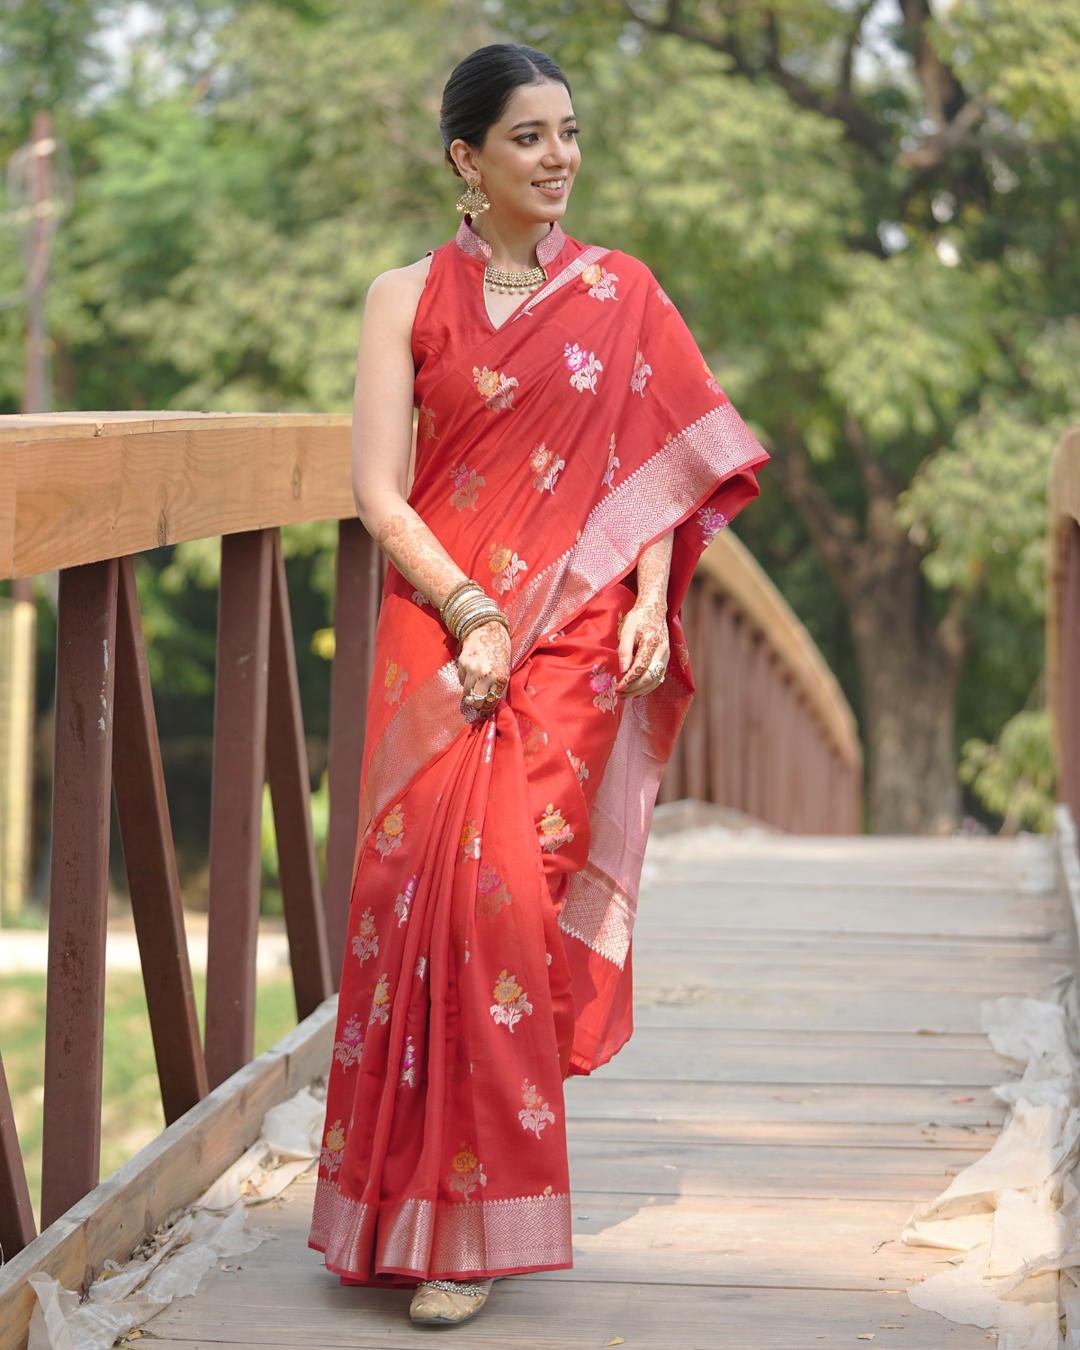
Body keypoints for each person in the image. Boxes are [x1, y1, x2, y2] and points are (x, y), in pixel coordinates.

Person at [309, 42, 768, 1325]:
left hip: (568, 643)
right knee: (414, 905)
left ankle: (472, 1233)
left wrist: (643, 598)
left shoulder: (623, 290)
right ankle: (388, 1208)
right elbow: (375, 490)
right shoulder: (403, 297)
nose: (559, 157)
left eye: (568, 132)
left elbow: (667, 449)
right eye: (528, 136)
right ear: (467, 159)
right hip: (438, 629)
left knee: (505, 918)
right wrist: (463, 607)